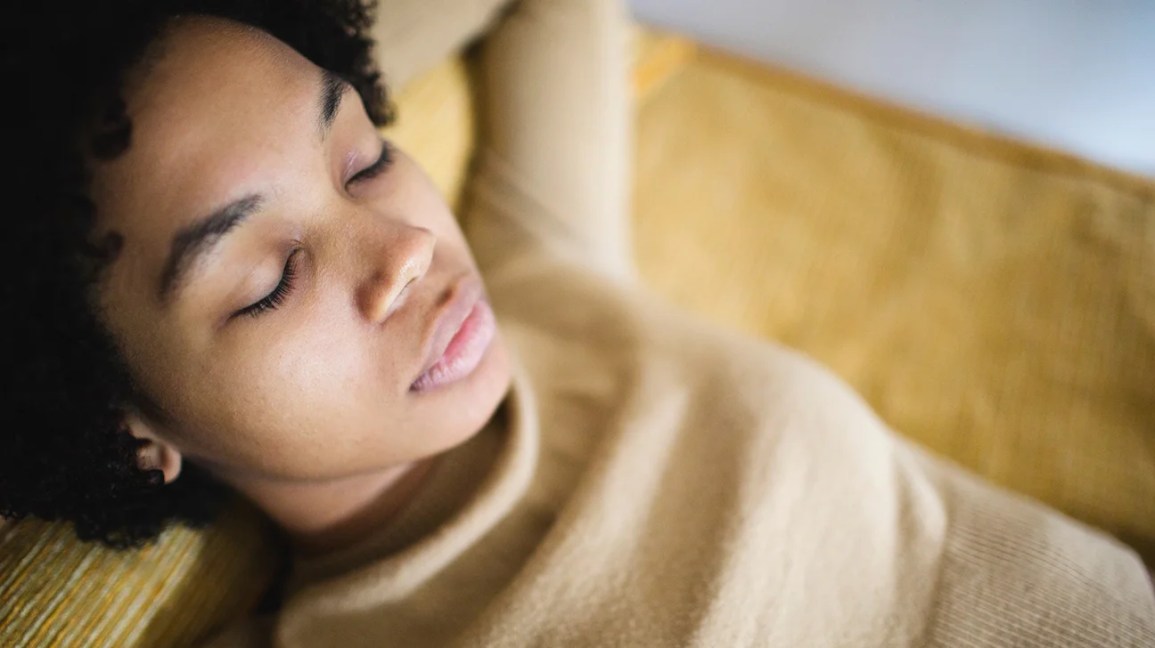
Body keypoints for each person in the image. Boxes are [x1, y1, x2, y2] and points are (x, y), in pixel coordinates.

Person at [1, 0, 1152, 645]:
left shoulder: (550, 277)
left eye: (360, 157)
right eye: (264, 280)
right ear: (126, 427)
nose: (406, 250)